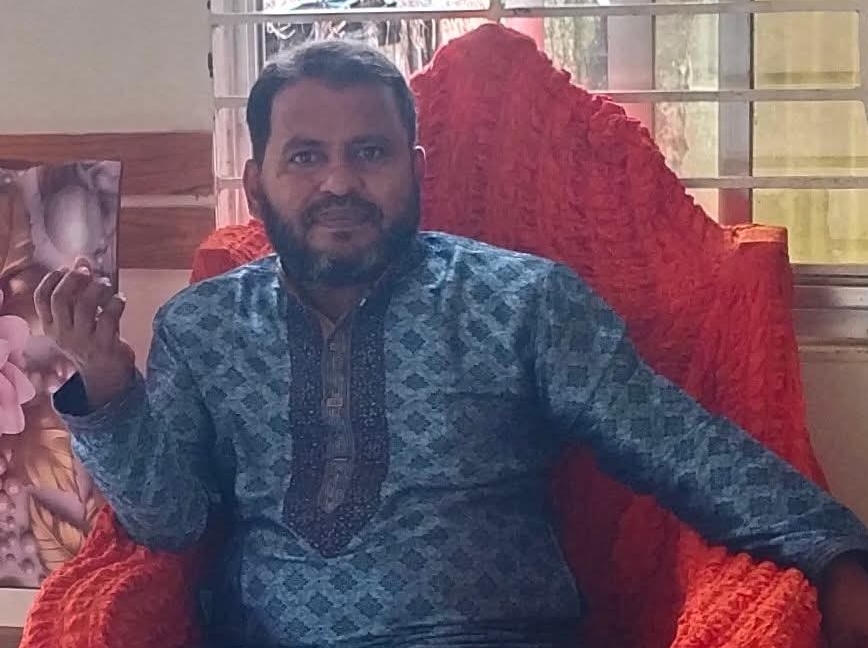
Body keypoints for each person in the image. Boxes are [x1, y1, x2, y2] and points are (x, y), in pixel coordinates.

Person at [36, 40, 868, 648]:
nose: (339, 182)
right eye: (306, 157)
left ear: (416, 167)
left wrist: (833, 547)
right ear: (258, 184)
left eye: (369, 153)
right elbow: (171, 524)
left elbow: (675, 441)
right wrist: (108, 386)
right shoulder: (202, 326)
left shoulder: (521, 301)